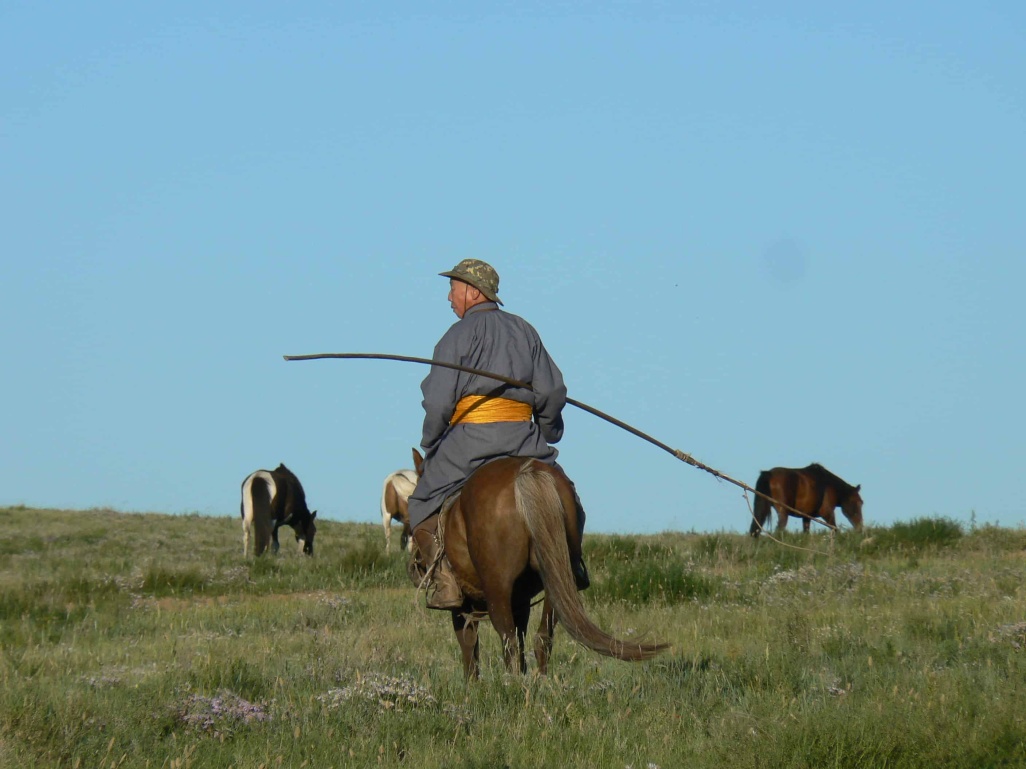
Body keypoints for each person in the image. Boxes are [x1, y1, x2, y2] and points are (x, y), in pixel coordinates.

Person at [407, 258, 589, 609]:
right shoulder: (525, 331)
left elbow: (437, 402)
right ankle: (574, 564)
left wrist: (431, 441)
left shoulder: (455, 337)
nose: (448, 297)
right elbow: (551, 392)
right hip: (524, 441)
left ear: (473, 292)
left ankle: (444, 581)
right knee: (569, 497)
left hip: (468, 445)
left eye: (453, 288)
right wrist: (548, 430)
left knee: (419, 503)